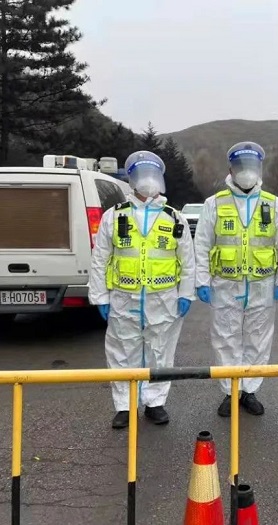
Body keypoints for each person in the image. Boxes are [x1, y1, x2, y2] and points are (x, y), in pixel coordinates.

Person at [88, 150, 196, 429]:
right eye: (142, 175)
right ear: (132, 180)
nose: (148, 181)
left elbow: (187, 260)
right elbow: (100, 258)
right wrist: (99, 296)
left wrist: (186, 293)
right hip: (124, 297)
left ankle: (155, 402)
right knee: (122, 352)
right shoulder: (115, 216)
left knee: (161, 351)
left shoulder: (174, 218)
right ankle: (125, 405)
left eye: (152, 175)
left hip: (164, 298)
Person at [194, 141, 278, 417]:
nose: (246, 172)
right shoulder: (214, 204)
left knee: (258, 339)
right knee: (225, 339)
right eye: (241, 166)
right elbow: (201, 244)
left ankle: (250, 390)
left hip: (262, 285)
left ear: (259, 169)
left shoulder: (274, 204)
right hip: (225, 284)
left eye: (251, 166)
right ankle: (230, 391)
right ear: (231, 170)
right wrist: (201, 281)